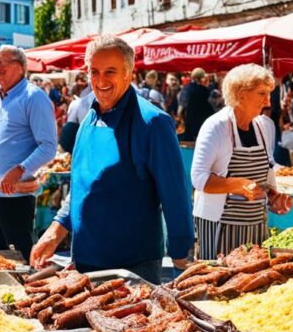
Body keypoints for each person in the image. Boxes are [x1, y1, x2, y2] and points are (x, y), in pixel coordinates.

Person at [30, 36, 193, 282]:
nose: (101, 80)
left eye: (110, 72)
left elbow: (175, 194)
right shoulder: (88, 120)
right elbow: (81, 186)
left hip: (133, 266)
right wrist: (56, 230)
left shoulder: (153, 123)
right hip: (85, 261)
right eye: (94, 72)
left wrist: (182, 256)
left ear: (129, 73)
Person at [192, 64, 293, 259]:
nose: (268, 101)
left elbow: (265, 170)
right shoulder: (216, 126)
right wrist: (238, 185)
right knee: (222, 283)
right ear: (240, 94)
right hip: (220, 224)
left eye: (268, 93)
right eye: (261, 93)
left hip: (256, 224)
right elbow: (198, 178)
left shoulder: (265, 126)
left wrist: (273, 196)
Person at [0, 45, 57, 262]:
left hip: (15, 195)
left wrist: (21, 169)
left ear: (20, 68)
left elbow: (48, 146)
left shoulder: (33, 97)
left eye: (2, 62)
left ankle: (26, 294)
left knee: (20, 260)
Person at [180, 68, 216, 141]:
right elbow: (209, 106)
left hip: (189, 121)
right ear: (202, 78)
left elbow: (182, 105)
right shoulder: (204, 90)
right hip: (200, 122)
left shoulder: (185, 88)